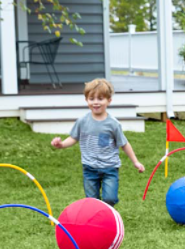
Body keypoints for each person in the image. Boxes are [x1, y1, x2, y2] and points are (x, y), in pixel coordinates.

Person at [50, 78, 144, 206]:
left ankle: (108, 213)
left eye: (100, 98)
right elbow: (73, 138)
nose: (95, 102)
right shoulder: (82, 121)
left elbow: (124, 144)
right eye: (91, 98)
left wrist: (136, 162)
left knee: (110, 199)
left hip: (110, 168)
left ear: (109, 100)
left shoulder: (113, 124)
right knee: (92, 202)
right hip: (89, 168)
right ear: (86, 100)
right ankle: (97, 217)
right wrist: (61, 144)